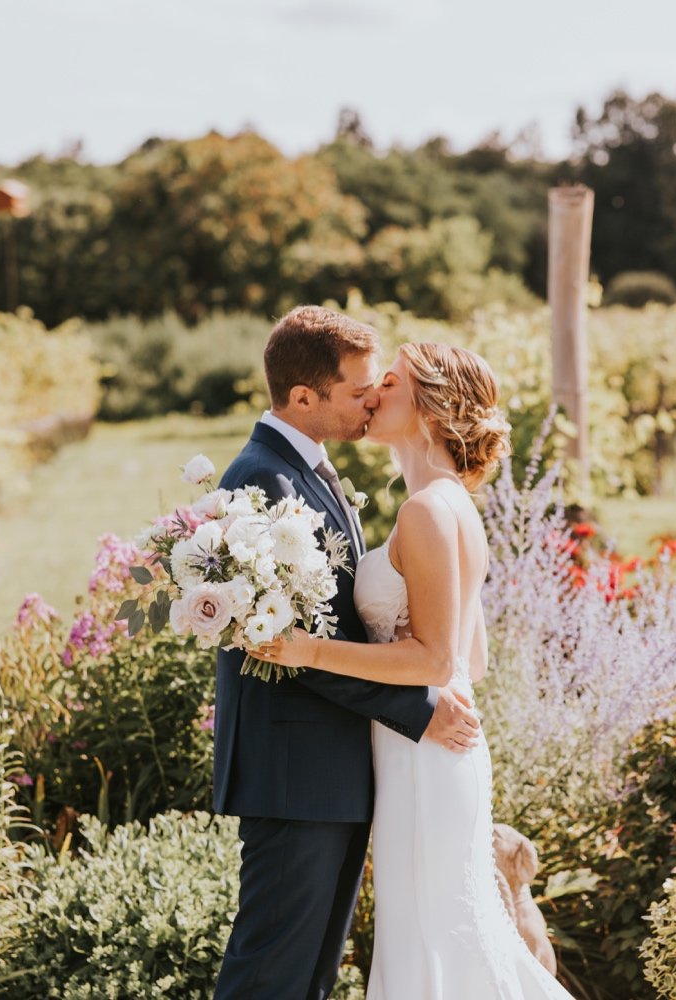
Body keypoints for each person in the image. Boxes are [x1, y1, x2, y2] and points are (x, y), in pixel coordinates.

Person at [254, 339, 574, 998]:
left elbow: (438, 658)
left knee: (435, 940)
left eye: (390, 382)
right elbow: (471, 658)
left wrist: (308, 649)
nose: (373, 394)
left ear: (430, 406)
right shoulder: (451, 502)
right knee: (443, 933)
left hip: (427, 755)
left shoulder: (426, 510)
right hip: (431, 750)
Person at [211, 306, 482, 1000]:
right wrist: (417, 709)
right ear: (304, 397)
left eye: (380, 385)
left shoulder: (321, 474)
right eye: (361, 388)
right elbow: (290, 647)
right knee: (270, 972)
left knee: (310, 977)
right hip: (294, 771)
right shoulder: (261, 483)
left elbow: (339, 637)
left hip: (339, 769)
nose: (372, 398)